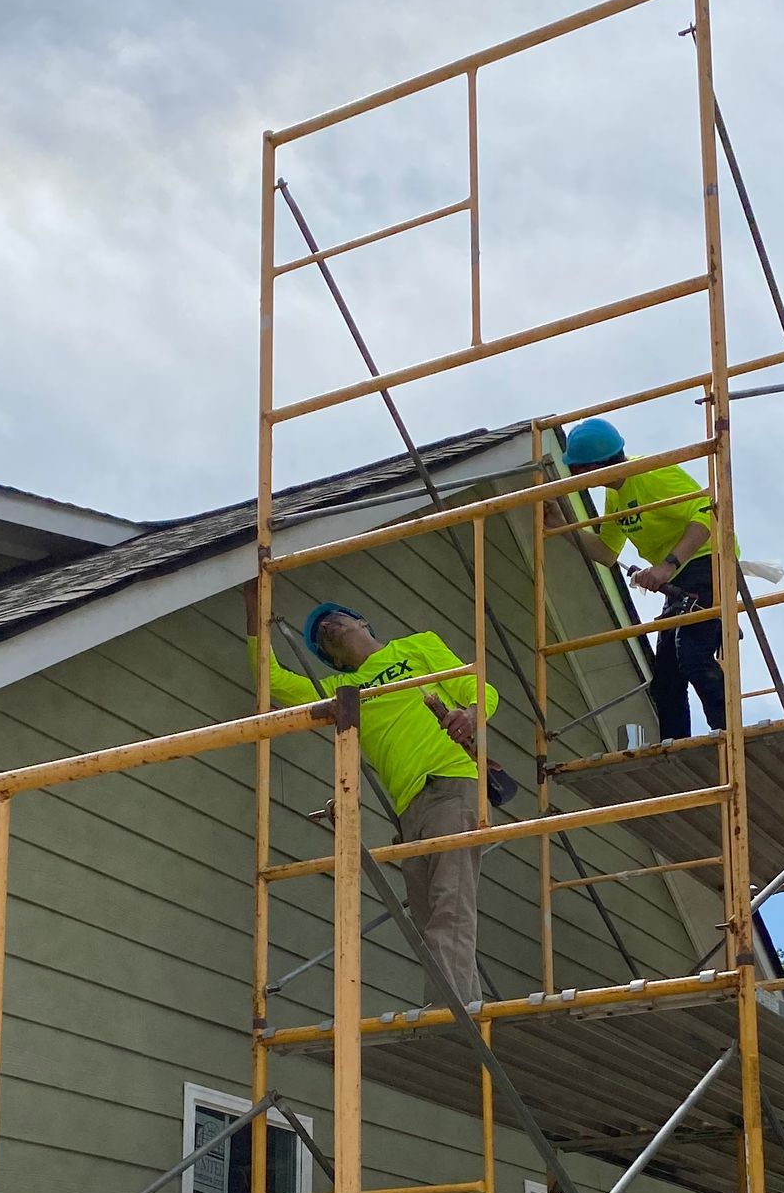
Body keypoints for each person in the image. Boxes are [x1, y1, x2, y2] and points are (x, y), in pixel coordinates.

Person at [252, 602, 500, 1009]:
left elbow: (481, 688)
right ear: (331, 660)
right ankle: (462, 1008)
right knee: (429, 917)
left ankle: (451, 1012)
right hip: (409, 808)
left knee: (449, 903)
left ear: (363, 621)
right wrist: (254, 605)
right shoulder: (342, 692)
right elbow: (274, 679)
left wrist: (471, 716)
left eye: (334, 618)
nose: (327, 627)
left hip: (449, 782)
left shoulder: (417, 647)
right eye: (320, 637)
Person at [546, 415, 737, 741]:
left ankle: (729, 734)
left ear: (595, 465)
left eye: (578, 468)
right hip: (682, 577)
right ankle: (675, 746)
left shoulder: (649, 472)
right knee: (665, 676)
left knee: (692, 654)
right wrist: (562, 526)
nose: (574, 475)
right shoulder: (616, 494)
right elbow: (607, 552)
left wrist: (665, 566)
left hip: (711, 563)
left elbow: (707, 511)